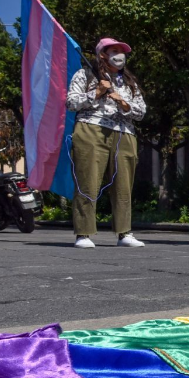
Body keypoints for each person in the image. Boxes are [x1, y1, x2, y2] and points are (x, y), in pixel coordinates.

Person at [66, 38, 147, 248]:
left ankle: (124, 233)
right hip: (91, 129)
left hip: (124, 133)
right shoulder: (85, 74)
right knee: (88, 181)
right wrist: (97, 92)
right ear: (103, 54)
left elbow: (141, 112)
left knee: (123, 185)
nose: (120, 55)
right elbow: (71, 102)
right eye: (115, 50)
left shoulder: (129, 82)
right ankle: (83, 234)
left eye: (122, 51)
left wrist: (122, 101)